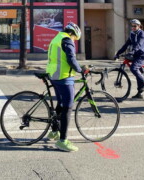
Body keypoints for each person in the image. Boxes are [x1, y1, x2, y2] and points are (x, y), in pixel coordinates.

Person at [46, 22, 86, 152]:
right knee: (68, 107)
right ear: (72, 33)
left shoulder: (56, 38)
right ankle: (63, 141)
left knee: (60, 104)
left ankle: (54, 132)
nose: (74, 40)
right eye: (75, 38)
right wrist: (81, 70)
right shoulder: (67, 40)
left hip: (53, 75)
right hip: (63, 76)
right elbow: (71, 59)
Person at [114, 19, 144, 99]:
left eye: (135, 26)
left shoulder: (142, 34)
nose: (133, 27)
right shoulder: (132, 34)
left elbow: (138, 45)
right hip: (136, 55)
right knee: (138, 72)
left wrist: (132, 52)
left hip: (142, 55)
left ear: (139, 26)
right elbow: (126, 45)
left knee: (134, 68)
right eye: (132, 26)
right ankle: (139, 93)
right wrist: (118, 53)